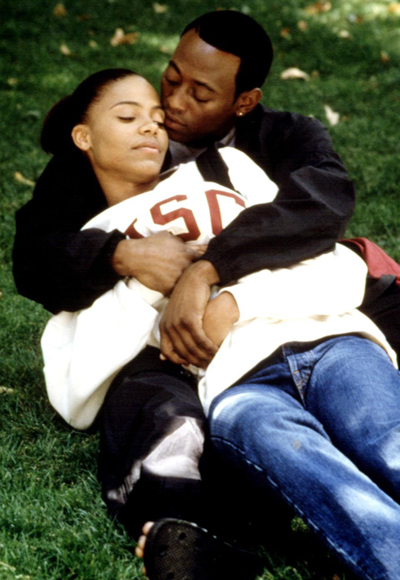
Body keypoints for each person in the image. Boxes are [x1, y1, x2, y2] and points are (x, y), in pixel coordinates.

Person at [11, 10, 400, 580]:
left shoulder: (260, 152)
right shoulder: (92, 178)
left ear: (244, 102)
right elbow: (38, 261)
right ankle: (191, 519)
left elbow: (323, 227)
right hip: (226, 378)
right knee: (177, 408)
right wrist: (125, 260)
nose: (169, 107)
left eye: (199, 93)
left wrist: (210, 277)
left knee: (384, 433)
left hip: (317, 321)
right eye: (170, 79)